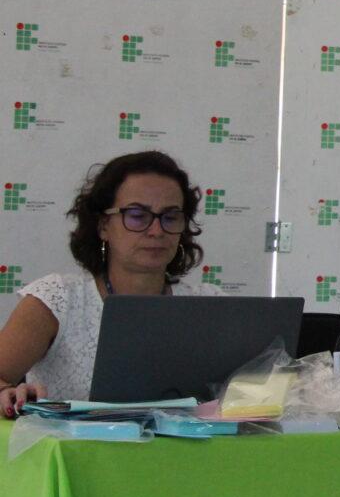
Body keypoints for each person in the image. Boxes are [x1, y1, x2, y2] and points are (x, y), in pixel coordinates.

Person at [0, 151, 222, 416]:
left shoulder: (210, 304)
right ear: (103, 226)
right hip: (70, 444)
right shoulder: (57, 299)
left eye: (170, 217)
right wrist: (8, 393)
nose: (157, 231)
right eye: (138, 215)